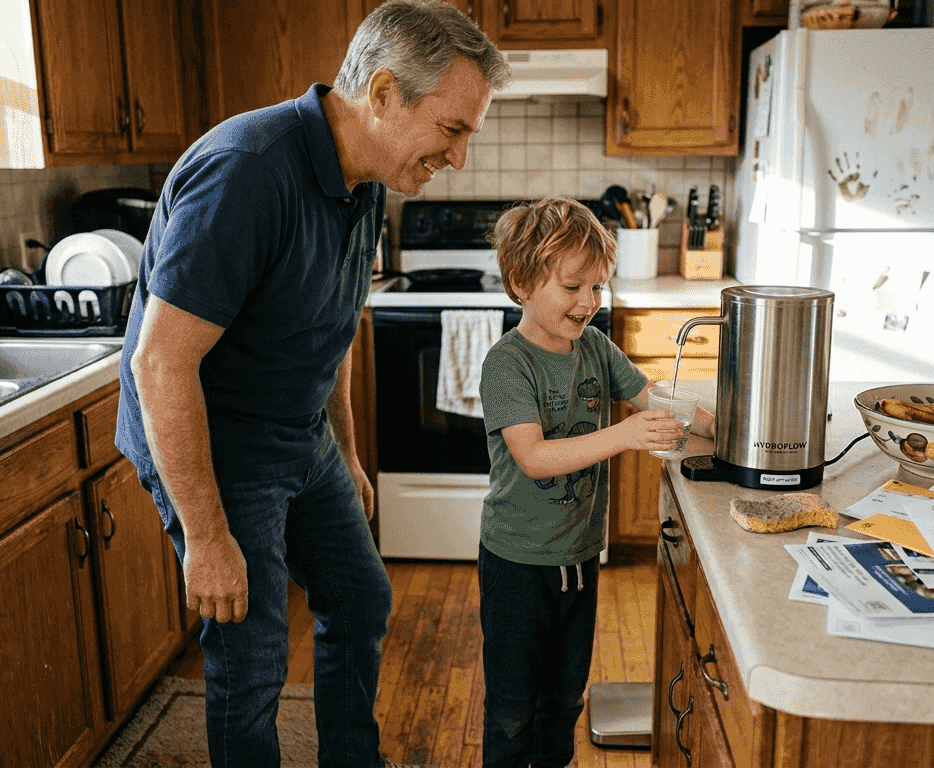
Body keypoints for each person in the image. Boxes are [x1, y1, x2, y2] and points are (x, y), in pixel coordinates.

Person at [114, 1, 511, 766]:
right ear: (386, 93)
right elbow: (160, 363)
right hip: (219, 443)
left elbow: (336, 324)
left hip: (302, 433)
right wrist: (206, 538)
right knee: (251, 651)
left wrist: (350, 456)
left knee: (360, 597)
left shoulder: (367, 177)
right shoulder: (248, 172)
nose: (458, 158)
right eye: (452, 130)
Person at [477, 197, 716, 768]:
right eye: (573, 287)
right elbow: (532, 457)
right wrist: (627, 434)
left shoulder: (596, 348)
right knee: (513, 709)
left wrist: (711, 420)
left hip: (579, 558)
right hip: (516, 564)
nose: (589, 303)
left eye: (598, 287)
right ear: (521, 283)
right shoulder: (508, 365)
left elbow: (649, 396)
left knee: (564, 698)